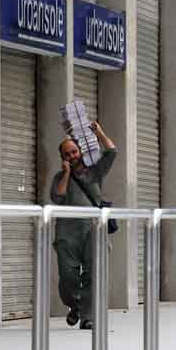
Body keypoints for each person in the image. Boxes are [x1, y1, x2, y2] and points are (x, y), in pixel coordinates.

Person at [50, 121, 117, 330]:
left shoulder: (94, 172)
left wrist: (99, 132)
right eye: (67, 154)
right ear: (63, 159)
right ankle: (75, 304)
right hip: (67, 235)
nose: (71, 156)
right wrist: (67, 173)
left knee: (92, 273)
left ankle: (88, 316)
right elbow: (58, 198)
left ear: (80, 151)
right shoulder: (60, 177)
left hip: (92, 231)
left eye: (74, 152)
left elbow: (112, 152)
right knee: (68, 277)